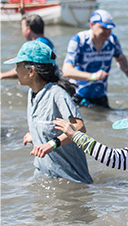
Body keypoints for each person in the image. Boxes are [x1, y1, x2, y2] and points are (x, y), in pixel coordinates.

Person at [4, 40, 92, 184]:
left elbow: (79, 128)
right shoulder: (32, 94)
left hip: (71, 181)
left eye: (18, 66)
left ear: (31, 71)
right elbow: (48, 125)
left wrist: (52, 143)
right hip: (43, 175)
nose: (15, 71)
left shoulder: (57, 94)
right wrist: (35, 134)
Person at [62, 10, 128, 108]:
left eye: (109, 29)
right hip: (78, 95)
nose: (107, 32)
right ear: (91, 25)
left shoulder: (112, 40)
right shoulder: (79, 40)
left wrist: (126, 69)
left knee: (105, 121)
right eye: (103, 28)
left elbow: (120, 58)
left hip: (100, 95)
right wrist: (92, 76)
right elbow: (66, 71)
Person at [1, 14, 55, 79]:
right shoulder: (45, 42)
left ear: (28, 29)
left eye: (22, 28)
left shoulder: (38, 46)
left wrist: (3, 75)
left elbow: (28, 69)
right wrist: (23, 15)